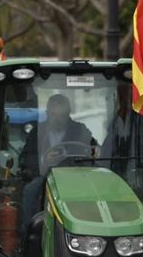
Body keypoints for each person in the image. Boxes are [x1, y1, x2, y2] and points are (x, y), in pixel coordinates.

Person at [19, 94, 96, 229]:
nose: (58, 120)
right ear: (48, 113)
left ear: (68, 114)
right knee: (30, 191)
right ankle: (29, 232)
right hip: (44, 177)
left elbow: (93, 149)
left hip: (76, 176)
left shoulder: (80, 130)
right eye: (55, 115)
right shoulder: (37, 132)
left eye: (62, 116)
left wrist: (96, 150)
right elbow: (26, 157)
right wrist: (44, 160)